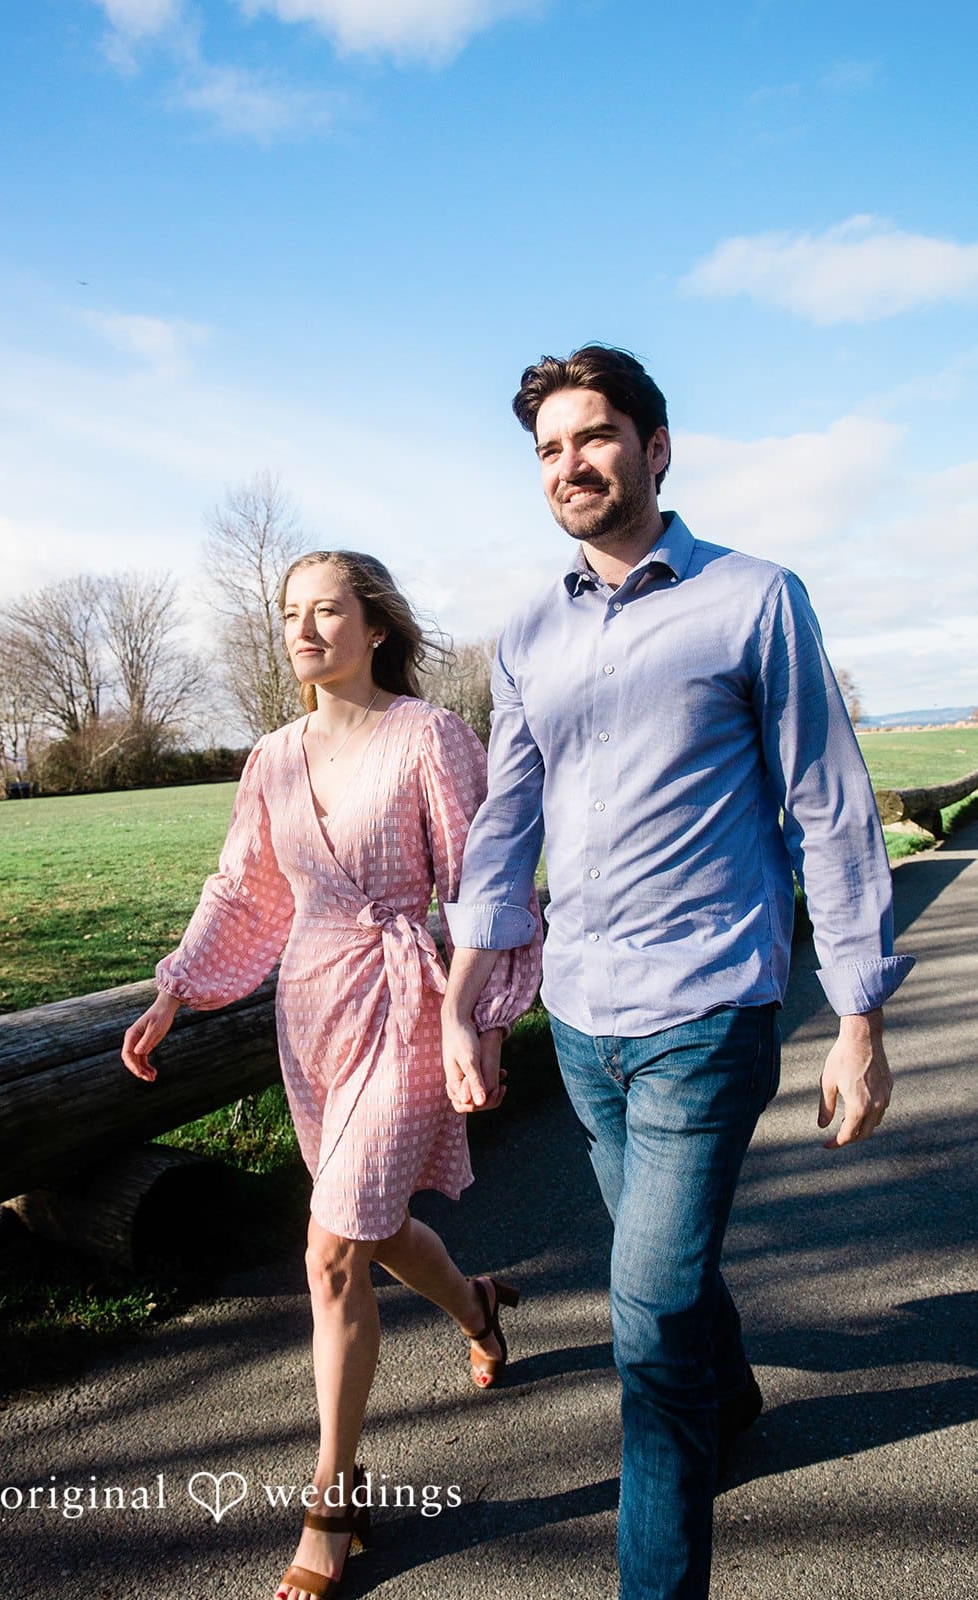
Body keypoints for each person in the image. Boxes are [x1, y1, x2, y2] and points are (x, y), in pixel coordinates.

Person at [440, 345, 914, 1600]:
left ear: (654, 446)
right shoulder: (528, 630)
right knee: (671, 1278)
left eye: (591, 437)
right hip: (580, 1020)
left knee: (642, 1326)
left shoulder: (753, 598)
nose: (568, 465)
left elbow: (830, 805)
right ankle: (737, 1389)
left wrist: (857, 1016)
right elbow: (502, 825)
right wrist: (472, 1003)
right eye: (545, 448)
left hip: (707, 1010)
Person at [121, 550, 540, 1600]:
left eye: (327, 611)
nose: (304, 630)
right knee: (373, 1227)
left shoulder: (430, 736)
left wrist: (480, 1020)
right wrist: (176, 986)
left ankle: (332, 1499)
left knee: (331, 1248)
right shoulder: (270, 755)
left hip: (403, 1002)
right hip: (308, 1013)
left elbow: (480, 885)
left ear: (376, 626)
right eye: (290, 613)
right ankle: (478, 1307)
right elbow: (244, 890)